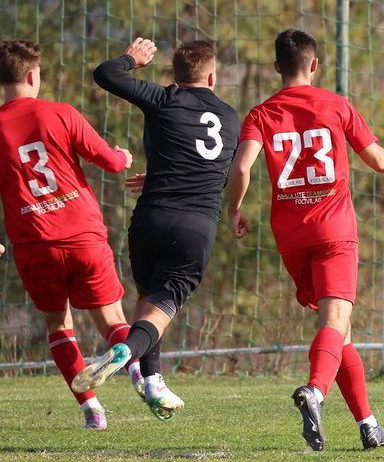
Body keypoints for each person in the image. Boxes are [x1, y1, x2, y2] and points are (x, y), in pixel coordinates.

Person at [226, 28, 384, 452]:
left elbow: (242, 168)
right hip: (334, 232)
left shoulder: (260, 113)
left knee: (338, 335)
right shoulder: (336, 104)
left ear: (276, 68)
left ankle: (369, 425)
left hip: (291, 235)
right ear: (314, 65)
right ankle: (315, 392)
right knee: (335, 323)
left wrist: (234, 209)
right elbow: (377, 160)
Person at [72, 38, 239, 422]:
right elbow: (219, 174)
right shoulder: (231, 118)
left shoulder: (164, 99)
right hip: (194, 225)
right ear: (212, 75)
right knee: (161, 308)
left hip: (150, 217)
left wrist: (132, 58)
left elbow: (106, 74)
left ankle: (153, 381)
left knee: (148, 298)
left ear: (175, 75)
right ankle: (126, 351)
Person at [0, 39, 140, 429]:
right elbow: (110, 163)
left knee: (58, 324)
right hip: (82, 234)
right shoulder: (60, 113)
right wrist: (123, 157)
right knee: (112, 317)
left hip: (34, 243)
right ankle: (140, 376)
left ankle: (92, 410)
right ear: (33, 75)